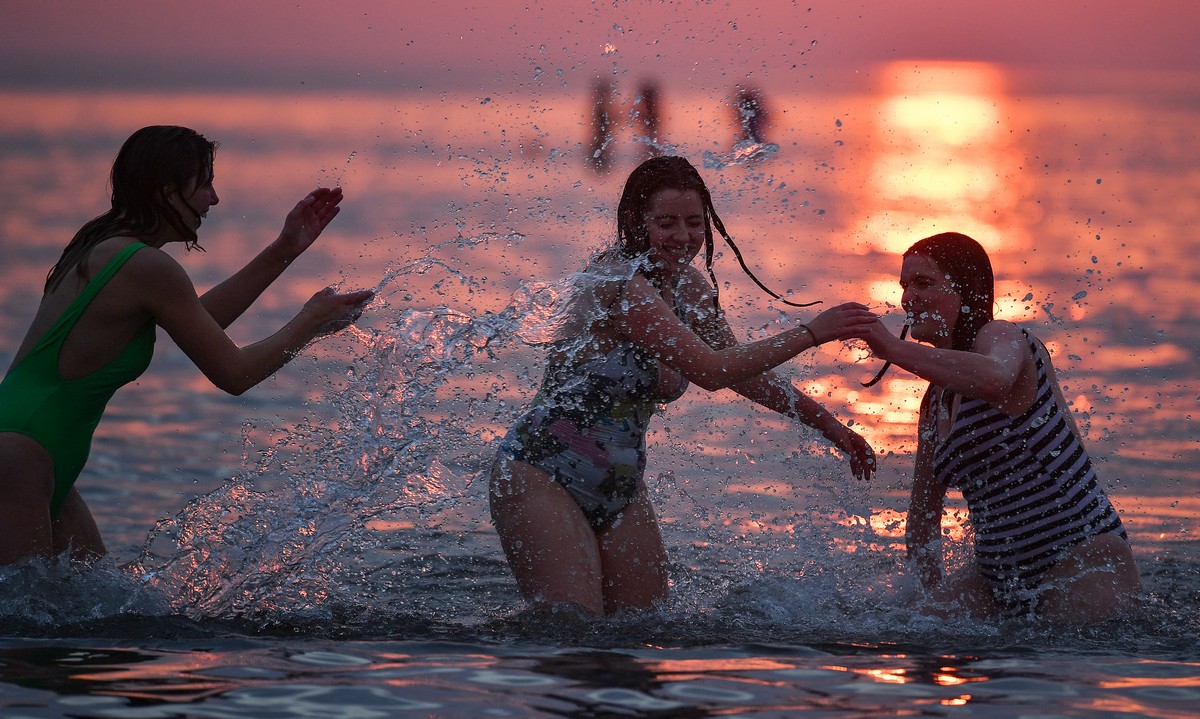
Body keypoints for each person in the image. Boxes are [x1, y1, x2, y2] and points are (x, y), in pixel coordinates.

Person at [490, 155, 877, 615]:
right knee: (571, 628)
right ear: (636, 221)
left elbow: (742, 372)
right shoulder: (619, 282)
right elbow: (710, 371)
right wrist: (811, 333)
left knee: (641, 632)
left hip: (620, 482)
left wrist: (830, 426)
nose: (683, 237)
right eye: (666, 222)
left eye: (694, 223)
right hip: (542, 470)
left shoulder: (689, 289)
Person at [0, 125, 374, 566]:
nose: (213, 199)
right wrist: (309, 322)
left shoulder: (101, 244)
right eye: (205, 183)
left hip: (33, 453)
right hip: (21, 459)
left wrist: (285, 249)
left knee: (88, 613)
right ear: (165, 190)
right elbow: (233, 374)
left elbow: (199, 324)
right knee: (23, 624)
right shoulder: (146, 266)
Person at [861, 232, 1140, 621]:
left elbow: (994, 378)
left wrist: (889, 348)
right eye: (904, 286)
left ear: (968, 291)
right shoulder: (934, 401)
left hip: (1082, 559)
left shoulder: (1005, 337)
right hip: (996, 579)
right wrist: (926, 599)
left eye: (923, 283)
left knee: (1055, 659)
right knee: (903, 629)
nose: (908, 298)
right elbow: (923, 518)